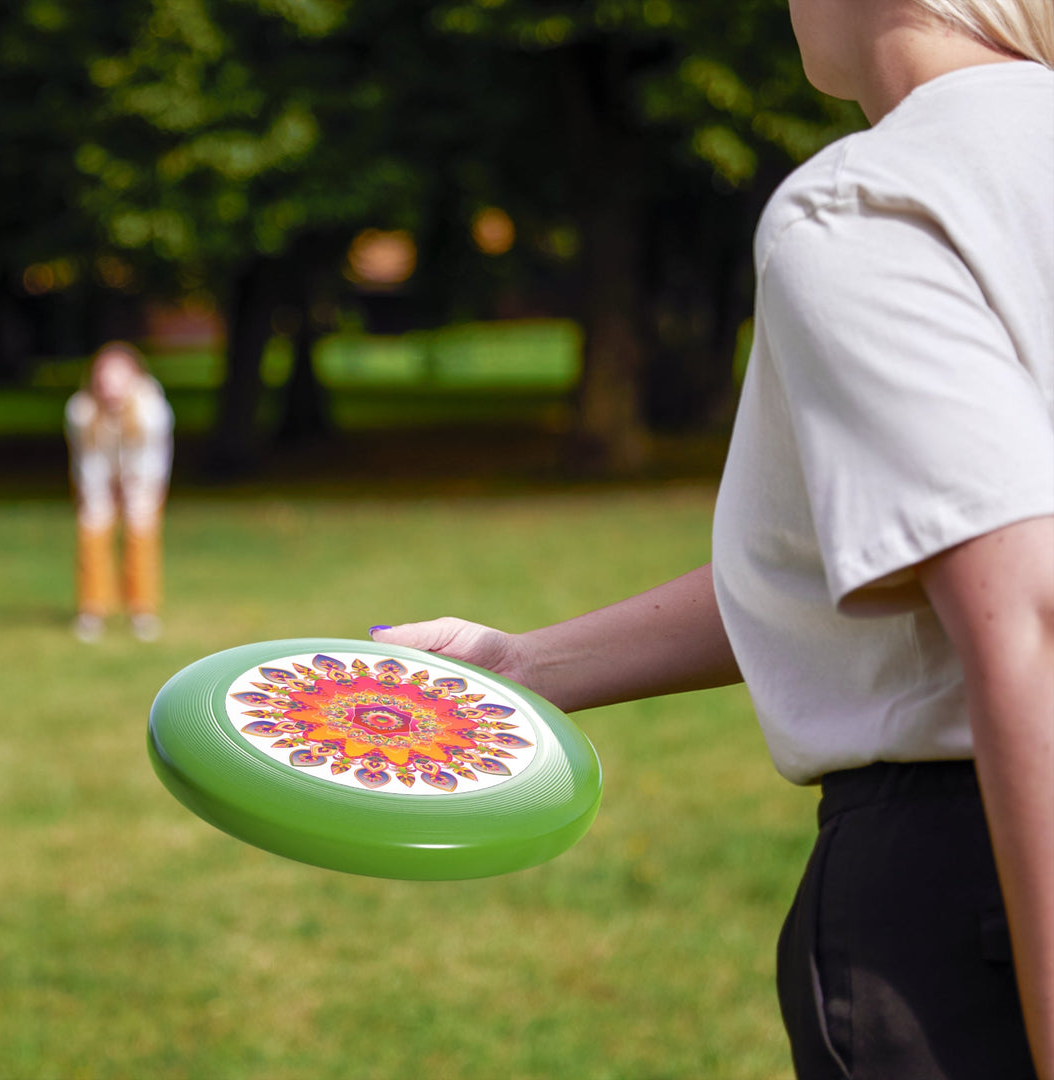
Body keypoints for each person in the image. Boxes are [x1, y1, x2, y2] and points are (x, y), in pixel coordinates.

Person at [369, 1, 1054, 1077]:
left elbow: (1028, 615)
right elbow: (883, 555)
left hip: (978, 888)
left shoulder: (874, 201)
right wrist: (523, 666)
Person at [65, 341, 174, 642]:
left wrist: (134, 492)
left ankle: (142, 610)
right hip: (97, 478)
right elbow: (88, 460)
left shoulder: (152, 410)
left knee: (141, 535)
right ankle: (92, 610)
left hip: (142, 479)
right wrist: (100, 495)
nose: (110, 385)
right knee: (92, 531)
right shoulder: (81, 410)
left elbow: (151, 460)